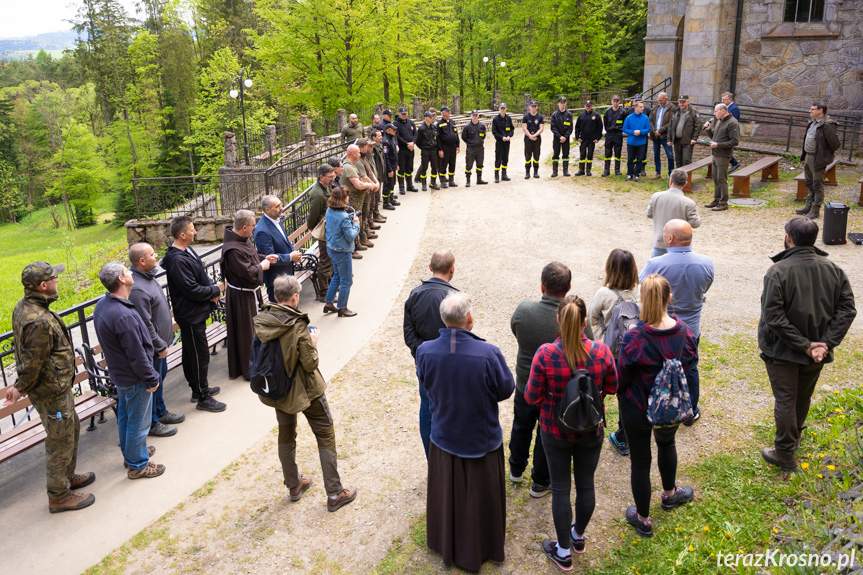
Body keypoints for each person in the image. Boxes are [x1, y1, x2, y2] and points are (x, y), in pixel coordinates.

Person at [417, 292, 514, 572]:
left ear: (443, 319)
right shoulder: (488, 353)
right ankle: (481, 546)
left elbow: (426, 385)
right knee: (479, 498)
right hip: (480, 439)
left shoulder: (425, 351)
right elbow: (506, 389)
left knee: (448, 495)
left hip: (444, 435)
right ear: (469, 318)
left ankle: (446, 542)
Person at [526, 295, 617, 566]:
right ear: (584, 322)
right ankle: (578, 535)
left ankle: (563, 552)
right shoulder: (601, 351)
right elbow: (612, 387)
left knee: (562, 488)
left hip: (555, 431)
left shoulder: (546, 354)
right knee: (586, 484)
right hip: (591, 430)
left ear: (558, 320)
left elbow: (531, 397)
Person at [253, 274, 358, 510]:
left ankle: (294, 485)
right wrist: (313, 341)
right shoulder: (297, 324)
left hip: (278, 390)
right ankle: (334, 493)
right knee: (325, 433)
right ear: (295, 297)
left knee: (286, 434)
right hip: (306, 389)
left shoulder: (262, 320)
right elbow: (310, 363)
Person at [759, 218, 856, 472]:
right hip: (816, 353)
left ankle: (784, 453)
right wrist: (823, 344)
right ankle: (793, 438)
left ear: (788, 238)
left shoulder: (777, 271)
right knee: (802, 396)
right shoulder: (834, 269)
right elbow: (847, 310)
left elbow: (773, 317)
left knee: (787, 400)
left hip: (783, 351)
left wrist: (808, 345)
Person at [7, 261, 95, 513]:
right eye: (54, 279)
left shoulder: (29, 306)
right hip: (51, 394)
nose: (58, 281)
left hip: (57, 389)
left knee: (70, 429)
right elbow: (33, 362)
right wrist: (20, 387)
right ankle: (58, 496)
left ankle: (67, 478)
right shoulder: (36, 320)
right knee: (60, 440)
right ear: (43, 285)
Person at [618, 274, 698, 538]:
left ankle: (643, 519)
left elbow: (622, 379)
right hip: (670, 408)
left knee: (640, 462)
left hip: (638, 409)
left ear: (642, 300)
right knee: (667, 445)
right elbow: (690, 368)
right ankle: (669, 495)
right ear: (669, 298)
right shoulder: (686, 333)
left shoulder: (635, 338)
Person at [509, 262, 595, 498]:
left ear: (541, 286)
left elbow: (515, 331)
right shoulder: (577, 321)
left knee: (521, 426)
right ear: (568, 288)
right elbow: (588, 346)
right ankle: (540, 482)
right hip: (557, 391)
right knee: (545, 436)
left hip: (525, 384)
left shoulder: (524, 311)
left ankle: (515, 469)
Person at [93, 262, 166, 480]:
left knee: (126, 417)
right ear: (122, 280)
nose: (131, 272)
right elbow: (137, 354)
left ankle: (132, 452)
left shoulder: (104, 305)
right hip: (134, 378)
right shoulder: (123, 315)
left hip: (121, 375)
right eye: (127, 271)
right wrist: (152, 377)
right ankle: (138, 465)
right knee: (138, 421)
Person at [640, 219, 713, 421]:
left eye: (664, 233)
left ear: (670, 238)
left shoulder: (656, 264)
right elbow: (704, 289)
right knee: (691, 368)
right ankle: (691, 410)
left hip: (661, 326)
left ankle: (658, 406)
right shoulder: (706, 263)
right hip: (691, 328)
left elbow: (643, 290)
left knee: (657, 368)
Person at [162, 216, 227, 412]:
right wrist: (215, 291)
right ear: (182, 235)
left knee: (192, 354)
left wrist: (212, 289)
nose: (195, 232)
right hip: (190, 315)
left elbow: (201, 275)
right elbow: (191, 289)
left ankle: (197, 389)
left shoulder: (187, 250)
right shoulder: (176, 260)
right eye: (192, 229)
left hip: (196, 312)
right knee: (199, 355)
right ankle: (203, 397)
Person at [403, 249, 458, 458]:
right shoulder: (455, 297)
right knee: (452, 410)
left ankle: (432, 458)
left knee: (427, 410)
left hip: (425, 364)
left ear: (430, 268)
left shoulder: (415, 295)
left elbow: (409, 335)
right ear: (452, 270)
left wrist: (424, 353)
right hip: (451, 365)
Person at [128, 243, 185, 438]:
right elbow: (145, 323)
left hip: (161, 344)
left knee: (160, 380)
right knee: (152, 384)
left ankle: (161, 412)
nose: (157, 256)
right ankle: (152, 423)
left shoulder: (148, 277)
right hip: (153, 348)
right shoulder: (136, 288)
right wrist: (159, 345)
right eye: (153, 254)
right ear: (142, 261)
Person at [587, 249, 640, 457]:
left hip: (608, 354)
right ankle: (624, 436)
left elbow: (591, 319)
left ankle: (590, 426)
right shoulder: (639, 292)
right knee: (627, 396)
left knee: (598, 390)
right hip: (632, 352)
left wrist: (600, 341)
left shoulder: (603, 294)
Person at [222, 210, 276, 381]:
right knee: (246, 334)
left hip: (248, 294)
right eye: (253, 226)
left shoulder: (242, 240)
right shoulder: (232, 249)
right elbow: (247, 272)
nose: (254, 229)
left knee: (252, 331)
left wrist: (264, 258)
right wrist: (263, 266)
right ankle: (249, 368)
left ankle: (257, 363)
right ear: (244, 227)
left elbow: (251, 258)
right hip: (241, 297)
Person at [796, 100, 840, 220]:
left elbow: (835, 144)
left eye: (812, 109)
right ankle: (808, 207)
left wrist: (824, 156)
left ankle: (815, 211)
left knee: (817, 185)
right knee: (809, 183)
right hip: (808, 157)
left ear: (820, 111)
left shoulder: (827, 124)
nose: (810, 111)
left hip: (818, 158)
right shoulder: (813, 123)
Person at [254, 195, 302, 302]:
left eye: (281, 204)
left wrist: (294, 252)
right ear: (267, 210)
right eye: (277, 206)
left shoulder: (277, 220)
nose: (281, 208)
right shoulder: (262, 231)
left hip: (287, 276)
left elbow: (286, 241)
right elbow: (270, 259)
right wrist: (290, 257)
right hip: (277, 282)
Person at [323, 187, 360, 317]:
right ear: (343, 199)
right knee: (347, 281)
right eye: (347, 196)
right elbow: (350, 236)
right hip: (342, 251)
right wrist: (356, 224)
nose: (348, 198)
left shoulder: (330, 210)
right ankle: (342, 308)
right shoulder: (343, 217)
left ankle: (328, 302)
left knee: (337, 276)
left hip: (331, 248)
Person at [646, 169, 702, 258]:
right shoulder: (689, 203)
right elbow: (695, 223)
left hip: (660, 241)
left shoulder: (656, 196)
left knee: (656, 269)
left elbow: (649, 214)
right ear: (685, 184)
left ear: (670, 181)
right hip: (680, 246)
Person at [702, 103, 739, 212]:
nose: (714, 114)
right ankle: (717, 199)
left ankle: (723, 202)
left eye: (716, 111)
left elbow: (735, 141)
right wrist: (708, 130)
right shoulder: (719, 121)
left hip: (723, 155)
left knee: (721, 179)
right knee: (715, 178)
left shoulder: (732, 123)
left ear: (723, 111)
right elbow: (715, 137)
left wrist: (718, 145)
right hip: (715, 153)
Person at [306, 164, 336, 297]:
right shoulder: (318, 194)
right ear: (321, 177)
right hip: (324, 233)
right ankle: (324, 292)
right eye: (330, 177)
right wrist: (314, 230)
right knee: (325, 262)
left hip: (328, 230)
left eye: (334, 176)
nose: (333, 179)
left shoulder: (325, 188)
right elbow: (312, 217)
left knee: (330, 260)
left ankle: (330, 286)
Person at [341, 143, 376, 256]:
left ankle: (357, 243)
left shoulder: (352, 165)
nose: (360, 154)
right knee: (353, 222)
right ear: (352, 154)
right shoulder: (349, 167)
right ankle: (353, 248)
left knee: (357, 221)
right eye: (358, 153)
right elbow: (358, 185)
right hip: (353, 199)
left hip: (357, 199)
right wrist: (368, 185)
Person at [648, 92, 676, 180]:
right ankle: (658, 173)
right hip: (655, 135)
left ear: (666, 99)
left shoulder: (672, 108)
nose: (659, 102)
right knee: (656, 154)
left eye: (661, 100)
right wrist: (654, 131)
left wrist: (660, 131)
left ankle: (671, 174)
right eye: (658, 100)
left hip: (666, 136)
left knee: (670, 155)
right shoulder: (656, 108)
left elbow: (672, 122)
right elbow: (650, 120)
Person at [667, 95, 701, 168]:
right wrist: (669, 139)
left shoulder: (693, 112)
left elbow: (698, 126)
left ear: (688, 102)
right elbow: (670, 126)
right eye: (680, 102)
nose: (681, 104)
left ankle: (686, 178)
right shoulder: (675, 111)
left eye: (683, 102)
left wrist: (694, 138)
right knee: (678, 160)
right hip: (677, 140)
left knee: (686, 160)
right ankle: (679, 178)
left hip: (688, 141)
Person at [358, 139, 381, 241]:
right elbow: (364, 176)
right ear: (363, 147)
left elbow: (370, 172)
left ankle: (367, 227)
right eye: (368, 146)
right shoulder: (359, 159)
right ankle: (364, 233)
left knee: (369, 207)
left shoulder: (365, 157)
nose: (370, 148)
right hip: (366, 188)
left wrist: (376, 182)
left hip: (370, 185)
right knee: (364, 211)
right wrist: (373, 184)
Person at [622, 102, 650, 182]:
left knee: (639, 159)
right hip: (631, 142)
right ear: (635, 108)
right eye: (641, 107)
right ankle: (629, 174)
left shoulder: (645, 118)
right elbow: (624, 129)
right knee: (630, 159)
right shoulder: (629, 118)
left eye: (643, 107)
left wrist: (640, 132)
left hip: (641, 142)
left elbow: (648, 129)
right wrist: (633, 132)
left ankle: (637, 174)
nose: (643, 108)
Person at [575, 100, 603, 176]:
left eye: (589, 106)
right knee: (582, 155)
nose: (588, 107)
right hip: (583, 139)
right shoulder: (581, 115)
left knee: (590, 155)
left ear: (592, 106)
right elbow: (577, 127)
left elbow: (600, 128)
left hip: (592, 139)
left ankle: (588, 170)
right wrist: (577, 137)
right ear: (584, 106)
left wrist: (598, 138)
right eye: (586, 106)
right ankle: (581, 170)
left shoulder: (596, 115)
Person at [394, 107, 418, 193]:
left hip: (411, 148)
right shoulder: (395, 123)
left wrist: (413, 142)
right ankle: (401, 187)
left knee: (409, 167)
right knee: (401, 168)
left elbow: (416, 133)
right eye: (402, 114)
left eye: (405, 114)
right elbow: (397, 136)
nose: (404, 115)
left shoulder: (410, 122)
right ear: (399, 114)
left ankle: (410, 185)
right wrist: (407, 144)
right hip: (402, 149)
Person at [461, 110, 488, 187]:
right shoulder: (467, 127)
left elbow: (484, 135)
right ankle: (468, 181)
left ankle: (479, 179)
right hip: (471, 149)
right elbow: (464, 137)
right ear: (471, 116)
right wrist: (470, 143)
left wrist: (479, 141)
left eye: (476, 115)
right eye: (473, 115)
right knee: (469, 165)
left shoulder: (482, 126)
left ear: (478, 115)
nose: (475, 117)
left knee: (480, 164)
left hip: (480, 148)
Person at [415, 111, 440, 191]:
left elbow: (437, 138)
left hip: (433, 150)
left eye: (432, 117)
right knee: (424, 168)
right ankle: (424, 184)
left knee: (434, 167)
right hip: (425, 150)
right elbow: (418, 141)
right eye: (430, 117)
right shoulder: (421, 129)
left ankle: (433, 183)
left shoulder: (433, 127)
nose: (431, 118)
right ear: (425, 118)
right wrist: (423, 147)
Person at [602, 95, 626, 177]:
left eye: (617, 101)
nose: (615, 103)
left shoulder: (623, 112)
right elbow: (605, 123)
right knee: (607, 152)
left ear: (619, 102)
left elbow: (625, 123)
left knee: (618, 152)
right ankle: (606, 170)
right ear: (611, 102)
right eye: (614, 101)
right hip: (609, 134)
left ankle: (617, 170)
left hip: (618, 134)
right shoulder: (607, 112)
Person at [436, 105, 459, 188]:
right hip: (444, 147)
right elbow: (438, 138)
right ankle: (443, 181)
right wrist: (440, 149)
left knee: (452, 164)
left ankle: (451, 180)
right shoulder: (439, 124)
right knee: (443, 164)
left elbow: (456, 134)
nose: (449, 112)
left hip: (453, 147)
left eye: (449, 110)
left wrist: (458, 145)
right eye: (447, 111)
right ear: (443, 113)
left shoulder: (452, 122)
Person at [550, 97, 573, 177]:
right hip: (557, 138)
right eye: (561, 103)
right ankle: (555, 171)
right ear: (558, 104)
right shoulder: (555, 115)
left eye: (564, 102)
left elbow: (570, 127)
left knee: (566, 154)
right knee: (556, 154)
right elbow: (553, 127)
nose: (563, 104)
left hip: (566, 139)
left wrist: (565, 137)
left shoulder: (569, 114)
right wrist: (560, 136)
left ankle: (565, 171)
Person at [492, 102, 514, 182]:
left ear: (506, 109)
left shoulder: (508, 118)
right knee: (498, 158)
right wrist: (502, 137)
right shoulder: (495, 119)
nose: (502, 110)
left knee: (505, 157)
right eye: (501, 108)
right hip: (499, 142)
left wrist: (509, 136)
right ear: (499, 109)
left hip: (507, 142)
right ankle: (496, 175)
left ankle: (504, 174)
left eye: (504, 108)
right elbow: (494, 132)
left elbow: (511, 129)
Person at [523, 100, 544, 179]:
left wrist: (535, 135)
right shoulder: (526, 117)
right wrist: (530, 136)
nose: (534, 108)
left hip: (537, 137)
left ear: (537, 107)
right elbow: (524, 128)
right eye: (532, 106)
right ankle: (527, 172)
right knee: (527, 155)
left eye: (535, 106)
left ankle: (536, 172)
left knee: (536, 155)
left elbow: (541, 128)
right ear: (529, 107)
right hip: (528, 137)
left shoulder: (540, 117)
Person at [370, 129, 389, 218]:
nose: (381, 137)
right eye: (379, 136)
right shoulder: (372, 149)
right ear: (374, 138)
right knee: (375, 197)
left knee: (378, 196)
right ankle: (375, 215)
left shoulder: (380, 146)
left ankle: (376, 213)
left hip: (380, 174)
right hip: (375, 175)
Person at [720, 92, 741, 172]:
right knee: (722, 148)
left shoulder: (734, 108)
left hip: (729, 132)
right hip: (724, 131)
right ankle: (733, 163)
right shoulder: (727, 107)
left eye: (724, 99)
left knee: (725, 148)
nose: (722, 101)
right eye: (722, 99)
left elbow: (733, 122)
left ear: (730, 99)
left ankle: (734, 163)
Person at [382, 123, 401, 206]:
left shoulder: (392, 138)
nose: (395, 131)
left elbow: (394, 154)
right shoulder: (385, 141)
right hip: (389, 167)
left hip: (393, 165)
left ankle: (391, 198)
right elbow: (386, 157)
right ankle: (386, 203)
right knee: (387, 185)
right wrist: (389, 169)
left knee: (392, 183)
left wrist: (396, 165)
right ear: (388, 131)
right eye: (393, 130)